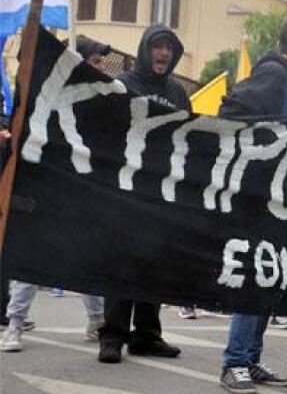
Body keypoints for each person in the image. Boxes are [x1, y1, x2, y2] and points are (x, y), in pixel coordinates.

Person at [217, 14, 287, 394]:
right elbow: (230, 114)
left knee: (265, 279)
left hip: (271, 198)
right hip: (258, 197)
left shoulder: (279, 79)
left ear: (279, 42)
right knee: (255, 280)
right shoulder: (274, 77)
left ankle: (249, 358)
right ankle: (234, 362)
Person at [1, 37, 114, 353]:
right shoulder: (41, 97)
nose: (100, 68)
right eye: (94, 62)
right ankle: (14, 325)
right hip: (43, 190)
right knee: (31, 258)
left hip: (80, 191)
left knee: (85, 257)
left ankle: (97, 319)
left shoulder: (97, 99)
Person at [98, 25, 188, 364]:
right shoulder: (124, 85)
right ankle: (112, 336)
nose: (163, 53)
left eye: (169, 47)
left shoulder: (178, 93)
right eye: (158, 46)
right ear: (145, 49)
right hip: (126, 187)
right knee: (122, 261)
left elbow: (190, 135)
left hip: (162, 191)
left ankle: (147, 335)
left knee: (155, 264)